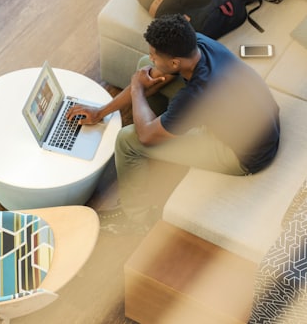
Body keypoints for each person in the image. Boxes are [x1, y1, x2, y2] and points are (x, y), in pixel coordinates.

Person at [67, 13, 280, 235]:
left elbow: (145, 136)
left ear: (176, 62)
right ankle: (163, 126)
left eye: (154, 55)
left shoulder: (197, 94)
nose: (151, 58)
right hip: (259, 121)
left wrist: (138, 89)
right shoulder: (197, 43)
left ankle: (135, 219)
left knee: (127, 141)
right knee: (144, 69)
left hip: (242, 154)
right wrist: (100, 112)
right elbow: (155, 72)